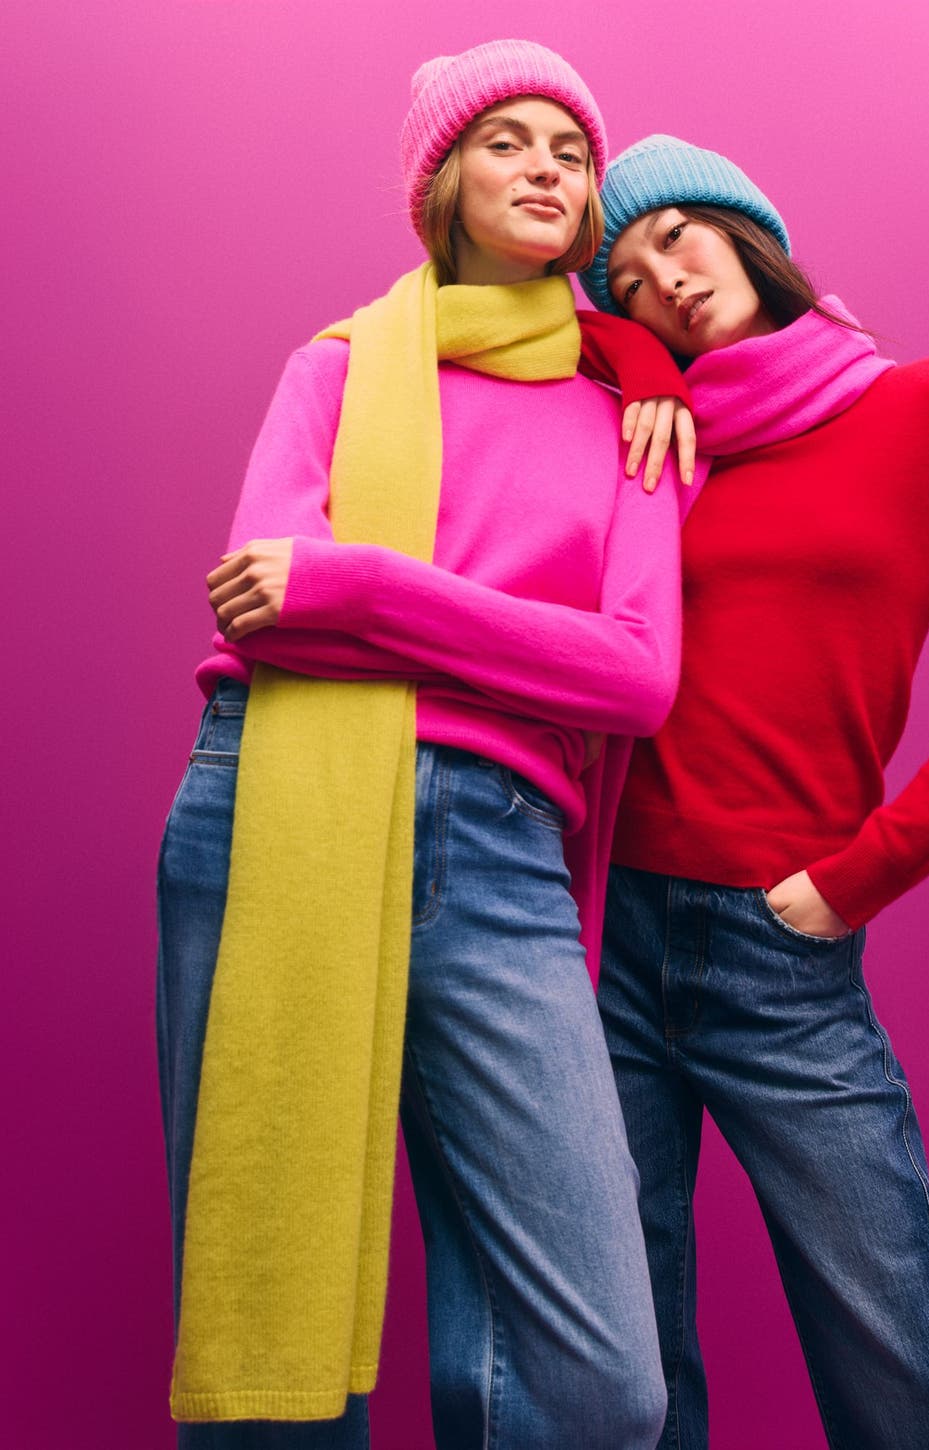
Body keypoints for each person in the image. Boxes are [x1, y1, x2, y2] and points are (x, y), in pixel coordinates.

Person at [156, 48, 697, 1450]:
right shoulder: (336, 366)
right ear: (443, 184)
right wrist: (494, 637)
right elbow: (257, 605)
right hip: (270, 802)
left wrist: (365, 590)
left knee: (598, 1386)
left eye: (570, 151)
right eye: (507, 141)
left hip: (500, 853)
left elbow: (634, 678)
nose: (545, 167)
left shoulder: (634, 418)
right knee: (265, 1348)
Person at [580, 134, 929, 1449]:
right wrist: (624, 355)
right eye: (623, 281)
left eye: (675, 235)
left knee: (901, 1368)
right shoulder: (656, 437)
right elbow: (533, 346)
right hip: (609, 933)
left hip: (780, 945)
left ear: (747, 230)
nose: (660, 282)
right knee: (632, 1376)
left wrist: (858, 878)